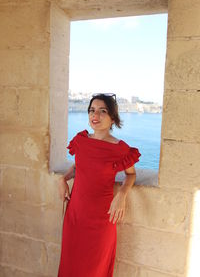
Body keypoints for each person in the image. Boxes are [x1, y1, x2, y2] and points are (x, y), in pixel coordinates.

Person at [57, 93, 141, 277]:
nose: (96, 115)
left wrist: (121, 195)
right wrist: (63, 179)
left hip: (102, 219)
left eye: (103, 111)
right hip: (75, 215)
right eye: (92, 110)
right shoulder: (80, 140)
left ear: (112, 118)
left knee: (95, 269)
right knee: (71, 265)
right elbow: (79, 166)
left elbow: (131, 175)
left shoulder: (120, 149)